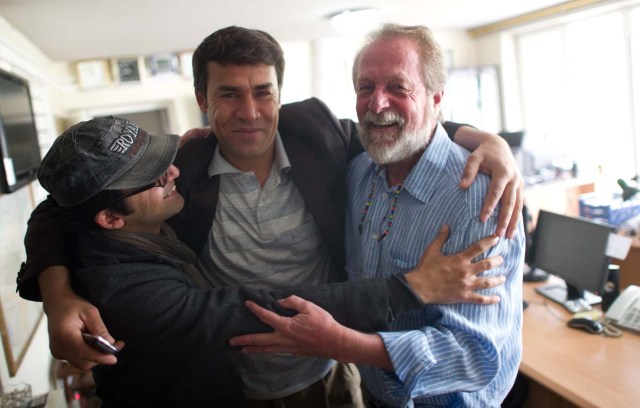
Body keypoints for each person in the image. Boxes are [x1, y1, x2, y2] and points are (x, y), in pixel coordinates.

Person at [17, 26, 522, 407]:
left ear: (280, 93)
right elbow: (64, 211)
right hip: (234, 384)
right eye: (228, 95)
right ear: (201, 101)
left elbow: (395, 123)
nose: (250, 112)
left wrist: (483, 138)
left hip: (335, 375)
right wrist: (58, 294)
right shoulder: (179, 173)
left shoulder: (320, 136)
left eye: (263, 91)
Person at [229, 24, 524, 407]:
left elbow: (474, 357)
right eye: (365, 87)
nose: (377, 103)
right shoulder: (357, 173)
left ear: (437, 98)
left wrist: (341, 344)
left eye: (398, 88)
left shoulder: (477, 198)